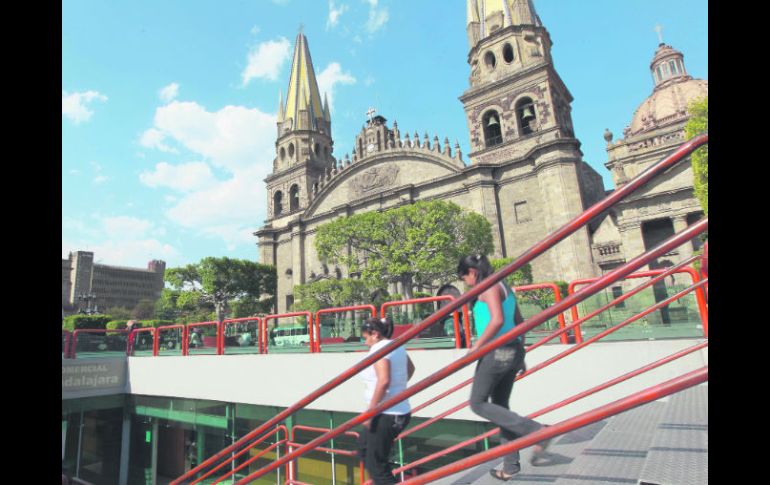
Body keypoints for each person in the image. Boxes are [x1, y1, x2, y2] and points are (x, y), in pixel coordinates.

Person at [458, 254, 552, 481]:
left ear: (472, 272)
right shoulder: (503, 284)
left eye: (464, 278)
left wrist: (475, 349)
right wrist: (521, 352)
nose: (465, 283)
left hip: (495, 351)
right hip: (512, 349)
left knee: (477, 403)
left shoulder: (487, 286)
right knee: (501, 407)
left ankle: (537, 431)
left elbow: (497, 320)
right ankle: (510, 466)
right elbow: (518, 321)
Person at [358, 317, 415, 485]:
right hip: (395, 412)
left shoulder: (379, 349)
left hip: (386, 414)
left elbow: (383, 381)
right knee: (363, 448)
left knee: (377, 466)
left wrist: (370, 412)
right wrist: (400, 387)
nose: (364, 342)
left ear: (374, 334)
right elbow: (411, 369)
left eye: (365, 337)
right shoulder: (396, 344)